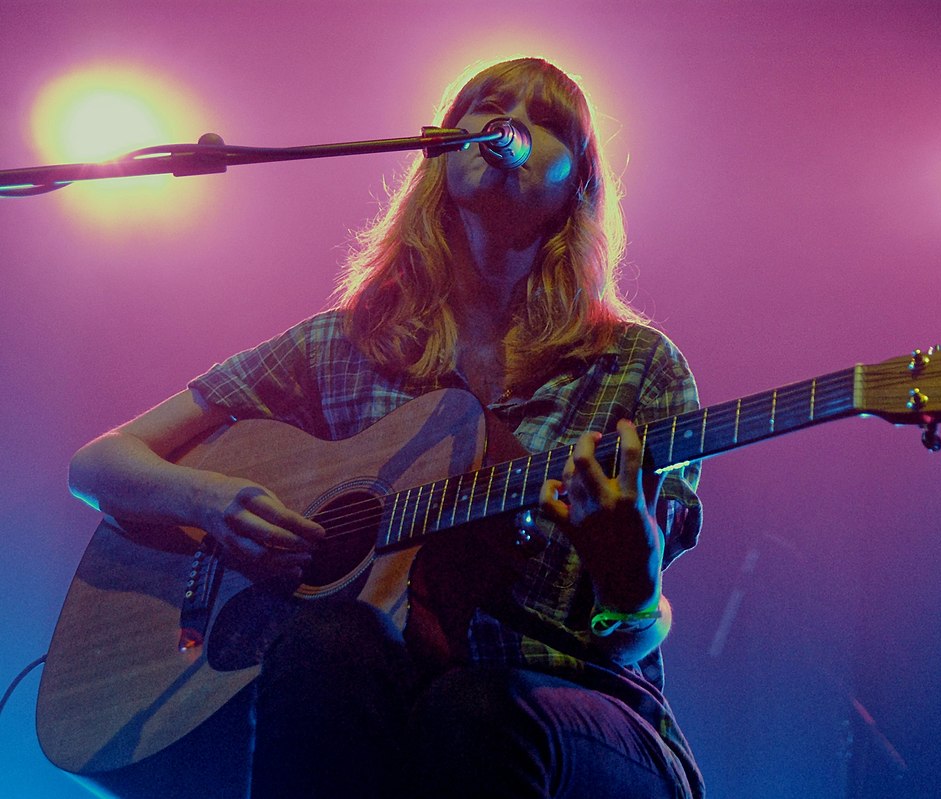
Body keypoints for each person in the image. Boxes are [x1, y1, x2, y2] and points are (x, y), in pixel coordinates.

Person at [69, 57, 703, 798]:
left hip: (589, 714)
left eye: (546, 122)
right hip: (401, 699)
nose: (510, 128)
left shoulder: (635, 367)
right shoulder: (346, 344)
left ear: (578, 185)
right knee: (328, 639)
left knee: (473, 708)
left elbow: (634, 638)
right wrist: (212, 502)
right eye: (490, 106)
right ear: (440, 147)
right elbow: (102, 462)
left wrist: (630, 574)